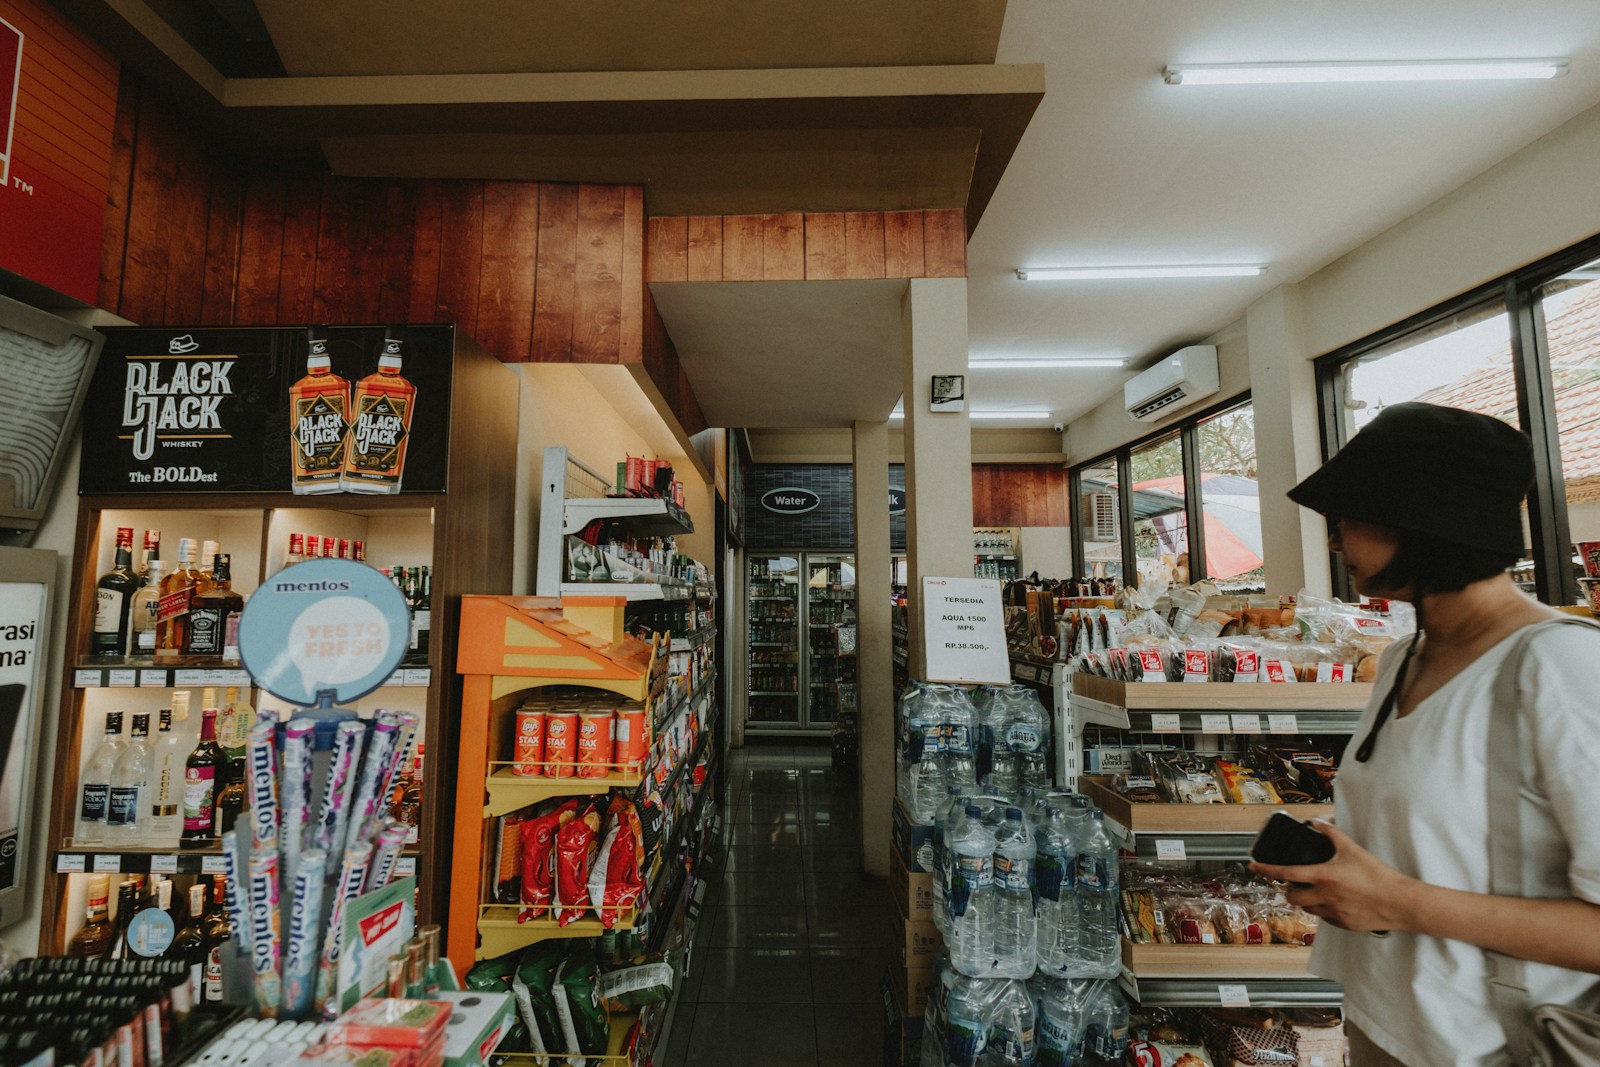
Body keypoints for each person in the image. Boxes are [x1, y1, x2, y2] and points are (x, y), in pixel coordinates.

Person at [1250, 402, 1600, 1066]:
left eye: (1349, 519)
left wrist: (1399, 902)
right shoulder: (1402, 659)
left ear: (1423, 523)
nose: (1336, 539)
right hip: (1388, 1027)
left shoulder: (1562, 668)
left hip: (1503, 1044)